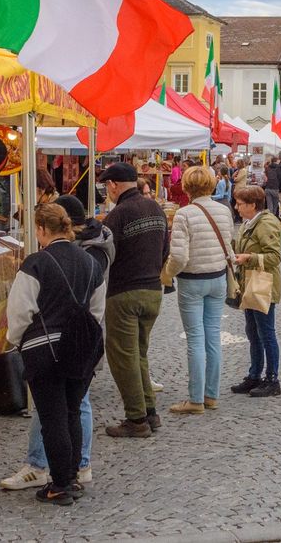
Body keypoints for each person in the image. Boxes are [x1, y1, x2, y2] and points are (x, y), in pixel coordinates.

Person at [0, 194, 114, 492]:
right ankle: (73, 476)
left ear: (41, 229)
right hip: (80, 350)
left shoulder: (35, 263)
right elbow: (97, 310)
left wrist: (16, 341)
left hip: (44, 349)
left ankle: (59, 484)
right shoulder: (91, 263)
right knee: (72, 412)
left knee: (52, 417)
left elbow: (20, 312)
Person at [100, 162, 168, 437]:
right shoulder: (156, 209)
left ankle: (136, 419)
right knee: (139, 353)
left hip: (124, 292)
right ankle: (150, 412)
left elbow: (105, 256)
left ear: (114, 185)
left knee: (123, 356)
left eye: (108, 186)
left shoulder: (118, 215)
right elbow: (165, 249)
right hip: (153, 290)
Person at [161, 166, 234, 414]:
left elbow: (179, 256)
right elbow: (229, 245)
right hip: (218, 277)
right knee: (212, 336)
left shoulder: (185, 214)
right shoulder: (224, 211)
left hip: (192, 280)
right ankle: (211, 394)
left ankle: (195, 399)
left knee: (195, 339)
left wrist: (167, 274)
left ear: (186, 187)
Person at [230, 186, 281, 397]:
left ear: (253, 205)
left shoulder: (266, 223)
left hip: (263, 285)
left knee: (266, 333)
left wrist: (248, 258)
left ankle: (272, 379)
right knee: (252, 332)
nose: (237, 207)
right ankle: (254, 375)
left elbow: (274, 257)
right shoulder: (248, 223)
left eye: (240, 204)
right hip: (249, 284)